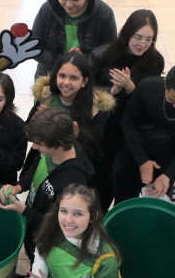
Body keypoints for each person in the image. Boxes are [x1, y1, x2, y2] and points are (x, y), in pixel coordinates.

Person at [0, 109, 94, 278]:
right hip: (34, 225)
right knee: (32, 260)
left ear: (59, 143)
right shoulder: (52, 154)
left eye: (39, 143)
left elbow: (63, 227)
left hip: (48, 239)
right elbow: (36, 167)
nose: (35, 147)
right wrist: (19, 185)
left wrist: (24, 211)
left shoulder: (73, 183)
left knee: (41, 272)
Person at [114, 55, 175, 204]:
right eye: (171, 100)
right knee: (123, 202)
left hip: (167, 162)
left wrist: (169, 174)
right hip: (133, 152)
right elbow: (129, 123)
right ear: (165, 82)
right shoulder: (147, 87)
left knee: (155, 207)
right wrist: (143, 160)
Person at [91, 9, 165, 209]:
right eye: (138, 37)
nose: (143, 44)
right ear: (127, 34)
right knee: (99, 184)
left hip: (132, 129)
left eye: (149, 39)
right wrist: (113, 90)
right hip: (105, 127)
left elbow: (154, 102)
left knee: (124, 185)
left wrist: (132, 88)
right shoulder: (102, 55)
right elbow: (89, 91)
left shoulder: (155, 61)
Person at [28, 52, 115, 203]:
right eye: (62, 76)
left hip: (71, 171)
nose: (66, 82)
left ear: (84, 81)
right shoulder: (47, 95)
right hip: (43, 160)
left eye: (74, 78)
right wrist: (38, 120)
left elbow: (97, 151)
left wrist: (78, 136)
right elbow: (28, 129)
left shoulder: (96, 108)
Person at [30, 0, 117, 77]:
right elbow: (33, 47)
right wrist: (63, 61)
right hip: (50, 70)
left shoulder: (104, 14)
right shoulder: (47, 10)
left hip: (87, 72)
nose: (69, 5)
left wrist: (83, 60)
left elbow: (110, 52)